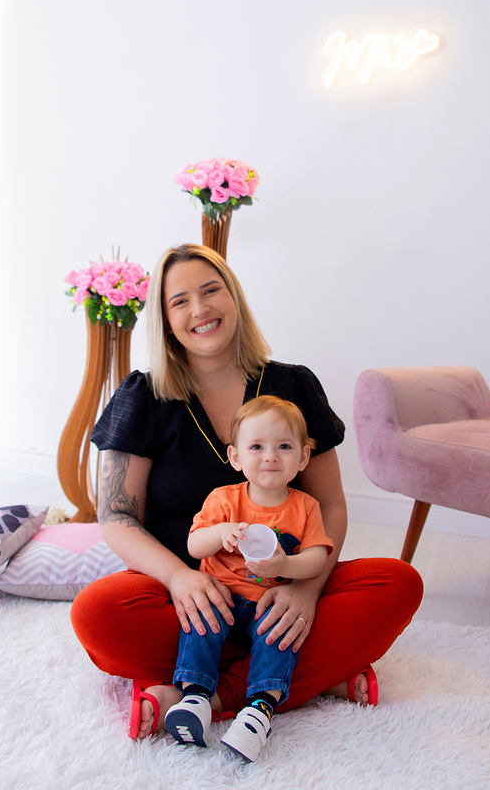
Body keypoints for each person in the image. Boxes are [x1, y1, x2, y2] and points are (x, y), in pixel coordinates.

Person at [70, 242, 423, 742]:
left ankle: (202, 696)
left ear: (234, 297)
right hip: (185, 598)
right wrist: (178, 579)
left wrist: (305, 591)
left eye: (212, 290)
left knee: (398, 584)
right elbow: (117, 518)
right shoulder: (142, 397)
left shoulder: (294, 385)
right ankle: (304, 678)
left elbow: (331, 506)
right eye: (180, 300)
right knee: (97, 614)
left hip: (280, 591)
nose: (200, 309)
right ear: (165, 320)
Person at [165, 396, 333, 762]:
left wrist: (285, 567)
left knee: (279, 638)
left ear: (303, 458)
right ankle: (195, 697)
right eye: (257, 447)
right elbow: (194, 545)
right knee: (199, 622)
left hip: (269, 607)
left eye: (284, 447)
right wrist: (221, 532)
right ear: (236, 457)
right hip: (221, 598)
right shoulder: (223, 499)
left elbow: (318, 558)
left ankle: (259, 712)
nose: (270, 456)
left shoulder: (305, 507)